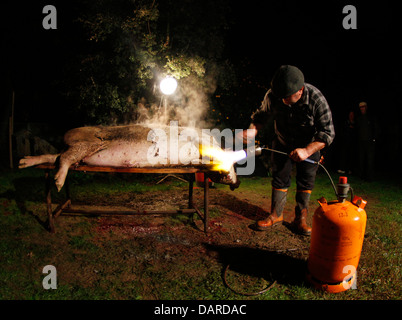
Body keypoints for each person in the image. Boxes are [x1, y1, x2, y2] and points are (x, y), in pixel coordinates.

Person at [240, 65, 335, 235]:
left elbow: (328, 133)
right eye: (280, 96)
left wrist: (306, 150)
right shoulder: (273, 94)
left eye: (287, 97)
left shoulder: (316, 99)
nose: (282, 100)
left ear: (300, 90)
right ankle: (276, 215)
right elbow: (261, 115)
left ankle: (300, 219)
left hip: (310, 145)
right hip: (282, 142)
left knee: (305, 180)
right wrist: (253, 129)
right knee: (279, 178)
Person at [355, 101, 379, 181]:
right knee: (361, 159)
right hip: (361, 141)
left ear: (366, 107)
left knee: (369, 160)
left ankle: (369, 177)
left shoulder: (371, 118)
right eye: (361, 107)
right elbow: (357, 130)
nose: (362, 109)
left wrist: (374, 139)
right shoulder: (359, 118)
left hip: (369, 142)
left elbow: (375, 128)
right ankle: (360, 176)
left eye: (363, 107)